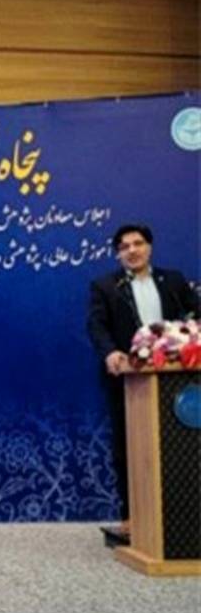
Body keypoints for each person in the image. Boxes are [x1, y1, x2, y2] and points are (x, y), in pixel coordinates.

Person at [86, 223, 199, 537]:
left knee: (180, 445)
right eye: (124, 247)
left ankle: (184, 516)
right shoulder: (106, 286)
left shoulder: (173, 281)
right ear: (118, 254)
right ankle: (131, 516)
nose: (132, 251)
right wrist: (110, 352)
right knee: (127, 446)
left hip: (176, 379)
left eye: (138, 244)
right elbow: (96, 326)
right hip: (128, 378)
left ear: (149, 247)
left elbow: (195, 315)